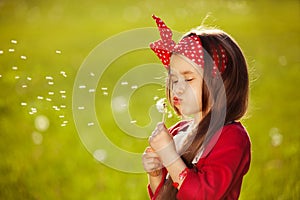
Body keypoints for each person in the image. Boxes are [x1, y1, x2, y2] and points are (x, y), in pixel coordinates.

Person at [142, 15, 251, 200]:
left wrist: (169, 155)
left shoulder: (231, 137)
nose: (177, 88)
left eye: (189, 78)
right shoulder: (179, 132)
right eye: (174, 79)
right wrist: (156, 175)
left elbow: (203, 195)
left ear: (221, 83)